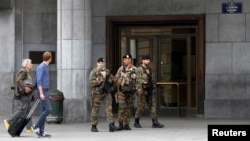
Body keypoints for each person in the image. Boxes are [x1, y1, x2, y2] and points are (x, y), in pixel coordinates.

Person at [4, 59, 34, 133]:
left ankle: (29, 127)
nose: (32, 64)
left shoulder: (27, 72)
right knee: (23, 110)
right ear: (26, 65)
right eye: (30, 63)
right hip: (23, 94)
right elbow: (18, 80)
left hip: (27, 94)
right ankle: (9, 121)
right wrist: (25, 87)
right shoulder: (23, 71)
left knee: (28, 111)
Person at [134, 55, 164, 128]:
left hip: (150, 90)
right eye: (147, 60)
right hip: (142, 91)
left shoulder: (150, 70)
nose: (148, 61)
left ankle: (155, 122)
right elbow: (136, 79)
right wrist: (143, 82)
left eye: (149, 60)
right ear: (143, 61)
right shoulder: (139, 69)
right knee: (141, 107)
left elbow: (152, 80)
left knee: (153, 106)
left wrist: (153, 86)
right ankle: (136, 121)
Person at [89, 57, 118, 132]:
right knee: (95, 110)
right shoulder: (94, 72)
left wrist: (111, 84)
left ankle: (111, 125)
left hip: (106, 93)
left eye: (103, 63)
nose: (102, 64)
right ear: (97, 63)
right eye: (100, 63)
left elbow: (114, 79)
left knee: (109, 109)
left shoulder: (107, 71)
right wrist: (100, 81)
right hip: (97, 93)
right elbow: (91, 82)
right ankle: (94, 125)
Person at [115, 54, 142, 130]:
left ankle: (126, 124)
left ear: (130, 60)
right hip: (122, 91)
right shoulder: (121, 69)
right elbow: (116, 78)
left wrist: (137, 90)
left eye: (126, 59)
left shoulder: (135, 70)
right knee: (121, 107)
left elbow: (139, 81)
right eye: (124, 60)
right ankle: (120, 124)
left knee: (128, 109)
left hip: (131, 92)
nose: (124, 61)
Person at [32, 51, 52, 138]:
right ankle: (36, 126)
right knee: (48, 109)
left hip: (45, 90)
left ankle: (41, 131)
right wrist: (41, 93)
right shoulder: (42, 67)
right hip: (42, 91)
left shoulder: (44, 66)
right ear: (50, 58)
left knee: (44, 110)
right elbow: (39, 81)